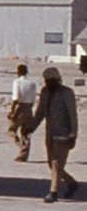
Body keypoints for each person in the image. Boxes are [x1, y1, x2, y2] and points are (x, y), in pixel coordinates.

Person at [28, 66, 78, 203]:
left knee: (56, 163)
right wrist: (30, 128)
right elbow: (40, 114)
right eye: (46, 80)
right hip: (50, 134)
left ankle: (53, 192)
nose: (48, 83)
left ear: (57, 79)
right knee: (52, 164)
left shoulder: (67, 93)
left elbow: (72, 116)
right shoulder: (45, 93)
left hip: (64, 135)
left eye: (50, 80)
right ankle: (72, 183)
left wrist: (73, 134)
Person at [7, 63, 38, 162]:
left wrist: (12, 110)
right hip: (29, 108)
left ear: (18, 72)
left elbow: (15, 97)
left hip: (20, 106)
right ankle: (24, 155)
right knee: (26, 132)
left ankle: (21, 147)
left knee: (11, 130)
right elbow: (33, 99)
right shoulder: (32, 83)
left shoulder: (17, 82)